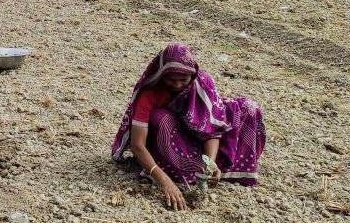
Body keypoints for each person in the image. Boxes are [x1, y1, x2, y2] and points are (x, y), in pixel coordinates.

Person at [111, 43, 266, 210]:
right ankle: (181, 171)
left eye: (183, 80)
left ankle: (214, 171)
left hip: (199, 137)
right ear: (162, 74)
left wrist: (210, 164)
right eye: (171, 80)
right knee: (161, 118)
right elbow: (137, 145)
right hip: (172, 141)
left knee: (249, 108)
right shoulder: (149, 93)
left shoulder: (202, 83)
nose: (177, 85)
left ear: (192, 75)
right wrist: (165, 181)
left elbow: (211, 128)